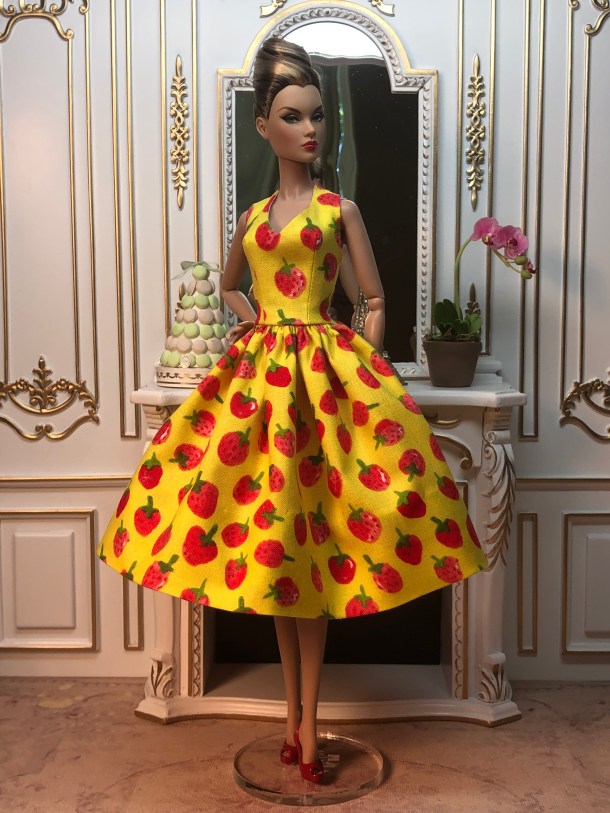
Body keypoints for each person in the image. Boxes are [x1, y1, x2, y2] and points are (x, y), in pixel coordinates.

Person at [97, 37, 488, 785]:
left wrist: (365, 364)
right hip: (264, 386)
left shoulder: (341, 210)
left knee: (320, 552)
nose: (309, 130)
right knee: (279, 554)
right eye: (291, 116)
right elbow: (230, 284)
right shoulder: (252, 218)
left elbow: (373, 298)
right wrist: (256, 321)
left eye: (316, 116)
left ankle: (305, 730)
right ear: (263, 127)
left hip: (326, 380)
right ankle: (292, 723)